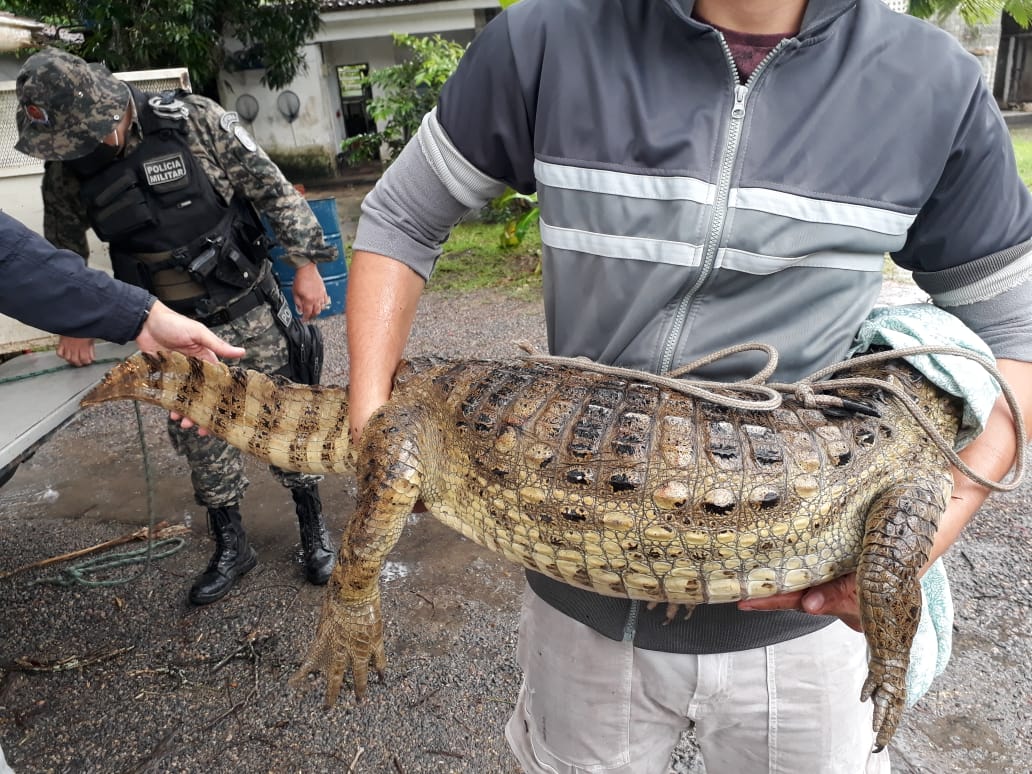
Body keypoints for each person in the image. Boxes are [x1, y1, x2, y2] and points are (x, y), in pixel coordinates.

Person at [341, 1, 1032, 772]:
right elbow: (402, 215)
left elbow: (1018, 325)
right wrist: (375, 428)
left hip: (808, 623)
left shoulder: (935, 81)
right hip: (580, 592)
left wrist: (940, 518)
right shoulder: (543, 38)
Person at [14, 48, 338, 606]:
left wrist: (306, 265)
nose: (69, 151)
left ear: (104, 111)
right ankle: (232, 544)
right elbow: (60, 244)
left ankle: (312, 527)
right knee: (199, 437)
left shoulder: (194, 121)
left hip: (246, 308)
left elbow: (269, 186)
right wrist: (74, 320)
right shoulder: (68, 160)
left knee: (286, 419)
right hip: (168, 329)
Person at [0, 210, 243, 363]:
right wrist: (78, 322)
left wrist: (144, 317)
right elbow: (20, 259)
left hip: (235, 301)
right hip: (165, 309)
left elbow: (14, 259)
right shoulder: (70, 169)